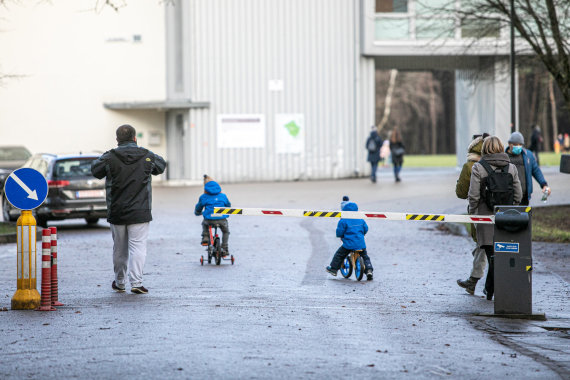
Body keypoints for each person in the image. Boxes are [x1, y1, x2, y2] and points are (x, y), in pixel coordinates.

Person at [91, 124, 166, 294]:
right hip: (140, 211)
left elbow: (95, 170)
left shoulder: (110, 157)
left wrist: (106, 156)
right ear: (134, 138)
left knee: (119, 248)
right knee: (138, 247)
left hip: (117, 211)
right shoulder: (147, 155)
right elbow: (161, 166)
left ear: (117, 139)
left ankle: (119, 282)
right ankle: (136, 283)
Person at [468, 136, 522, 300]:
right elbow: (518, 194)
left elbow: (473, 196)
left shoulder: (479, 167)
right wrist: (511, 209)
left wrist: (473, 213)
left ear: (484, 149)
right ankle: (490, 290)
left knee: (493, 257)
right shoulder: (511, 168)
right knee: (499, 256)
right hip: (505, 218)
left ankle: (492, 291)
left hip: (485, 219)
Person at [455, 133, 488, 295]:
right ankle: (476, 282)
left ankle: (476, 282)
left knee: (482, 245)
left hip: (480, 212)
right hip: (505, 210)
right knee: (488, 247)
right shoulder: (503, 163)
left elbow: (462, 193)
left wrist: (473, 209)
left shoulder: (471, 166)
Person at [325, 199, 373, 281]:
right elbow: (366, 228)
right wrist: (362, 233)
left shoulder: (343, 220)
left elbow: (339, 231)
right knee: (365, 256)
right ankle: (368, 270)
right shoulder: (360, 219)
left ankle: (333, 269)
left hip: (349, 244)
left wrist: (339, 235)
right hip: (361, 243)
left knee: (339, 255)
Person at [506, 131, 551, 205]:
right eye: (515, 144)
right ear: (509, 144)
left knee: (524, 216)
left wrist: (544, 184)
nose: (518, 146)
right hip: (508, 197)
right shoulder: (504, 157)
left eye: (520, 144)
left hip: (524, 197)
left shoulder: (528, 155)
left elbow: (536, 171)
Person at [194, 175, 231, 254]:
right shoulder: (223, 196)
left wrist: (197, 213)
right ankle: (224, 248)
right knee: (225, 231)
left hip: (209, 219)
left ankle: (206, 237)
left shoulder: (203, 197)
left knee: (204, 224)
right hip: (222, 219)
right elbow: (228, 205)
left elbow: (199, 207)